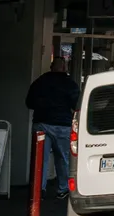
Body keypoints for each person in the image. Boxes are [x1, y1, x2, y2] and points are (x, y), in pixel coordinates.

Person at [26, 57, 80, 199]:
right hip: (62, 124)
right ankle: (63, 189)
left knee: (40, 158)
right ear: (64, 68)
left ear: (51, 67)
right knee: (63, 158)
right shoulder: (69, 84)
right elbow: (76, 104)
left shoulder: (40, 82)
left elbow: (29, 102)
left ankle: (39, 190)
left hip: (41, 123)